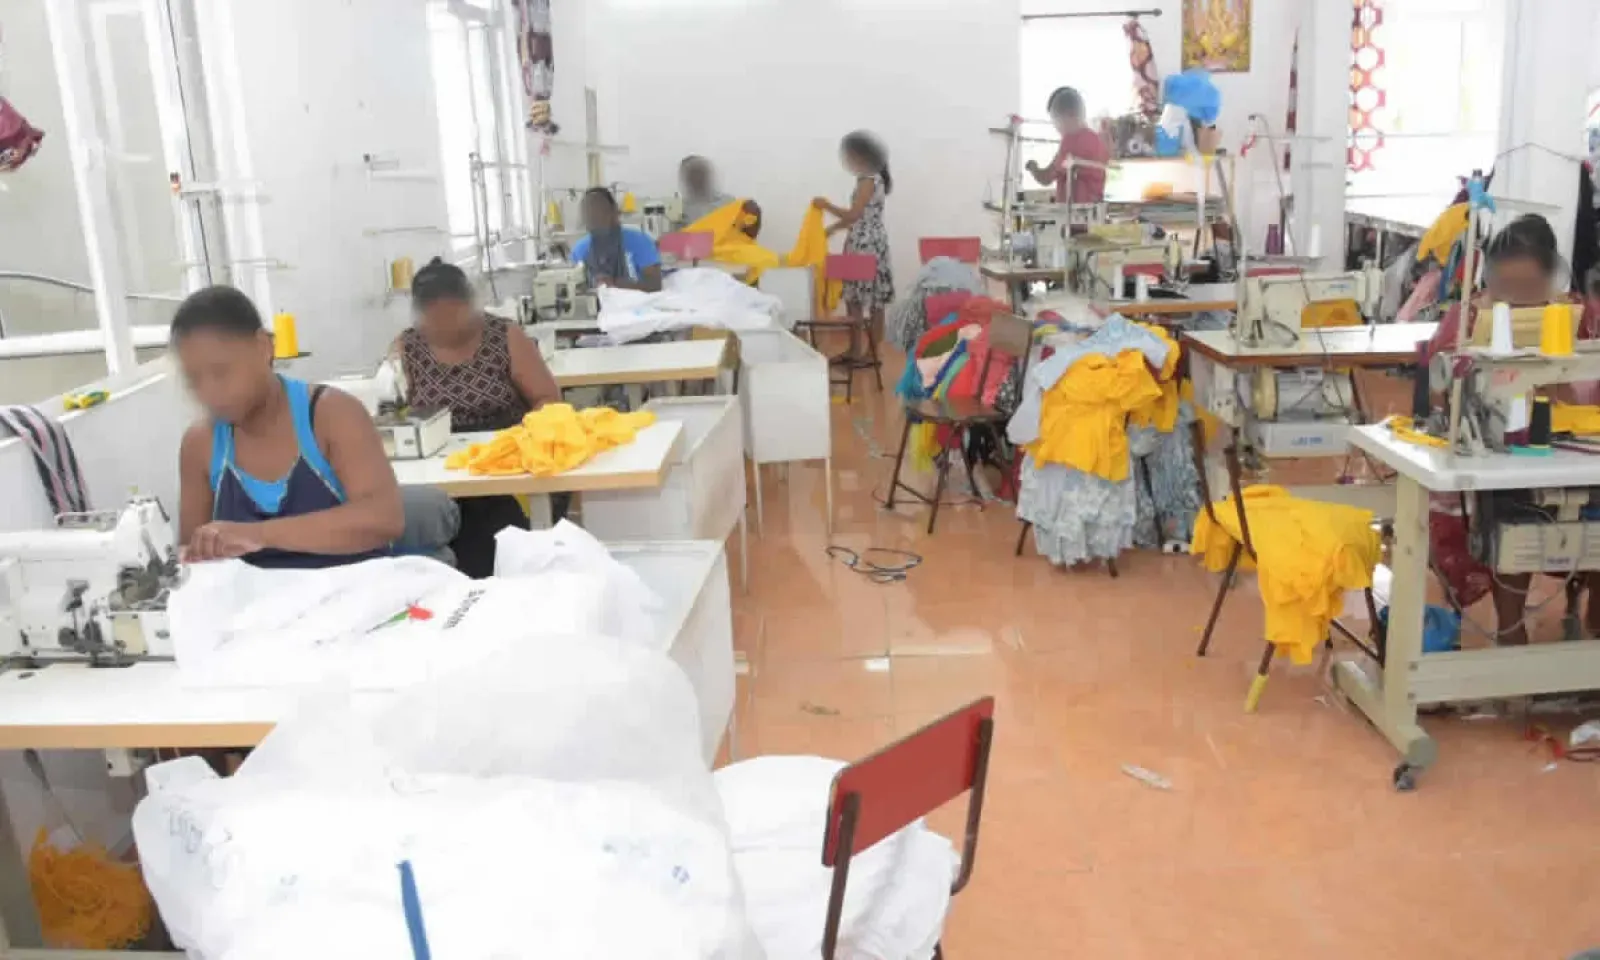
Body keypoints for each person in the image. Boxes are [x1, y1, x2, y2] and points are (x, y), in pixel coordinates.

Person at [1422, 214, 1600, 645]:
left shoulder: (1580, 317)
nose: (1517, 297)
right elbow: (1439, 396)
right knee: (1508, 508)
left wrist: (1557, 384)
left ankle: (1595, 617)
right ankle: (1510, 627)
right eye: (1507, 286)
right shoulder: (1468, 319)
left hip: (1574, 446)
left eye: (1529, 286)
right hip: (1497, 452)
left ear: (1551, 276)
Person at [174, 286, 404, 568]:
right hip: (258, 596)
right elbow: (193, 559)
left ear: (263, 347)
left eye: (221, 372)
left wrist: (259, 535)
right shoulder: (201, 444)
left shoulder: (332, 415)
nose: (208, 393)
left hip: (355, 589)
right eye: (194, 380)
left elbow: (384, 518)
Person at [398, 257, 561, 577]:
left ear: (471, 305)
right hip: (440, 465)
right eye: (434, 320)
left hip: (505, 464)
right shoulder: (410, 345)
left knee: (491, 539)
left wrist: (518, 441)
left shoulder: (505, 336)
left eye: (453, 316)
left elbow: (548, 401)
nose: (445, 327)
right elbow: (403, 408)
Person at [813, 131, 896, 355]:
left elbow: (854, 214)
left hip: (864, 244)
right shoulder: (873, 178)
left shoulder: (868, 180)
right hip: (871, 241)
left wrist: (826, 206)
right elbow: (860, 216)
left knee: (856, 300)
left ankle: (860, 351)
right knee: (872, 301)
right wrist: (832, 229)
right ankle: (868, 352)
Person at [1026, 86, 1110, 205]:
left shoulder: (1072, 140)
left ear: (1069, 115)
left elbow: (1046, 178)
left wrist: (1032, 167)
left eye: (1056, 121)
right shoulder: (1097, 141)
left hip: (1073, 214)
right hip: (1094, 212)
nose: (1056, 128)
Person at [571, 187, 663, 292]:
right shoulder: (580, 249)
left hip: (635, 300)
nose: (595, 218)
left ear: (614, 212)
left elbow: (655, 285)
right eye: (590, 214)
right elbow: (574, 287)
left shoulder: (640, 242)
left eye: (599, 211)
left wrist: (615, 283)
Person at [676, 155, 761, 238]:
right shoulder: (679, 209)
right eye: (693, 174)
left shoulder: (728, 202)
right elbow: (674, 241)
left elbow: (744, 233)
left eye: (699, 173)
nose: (697, 178)